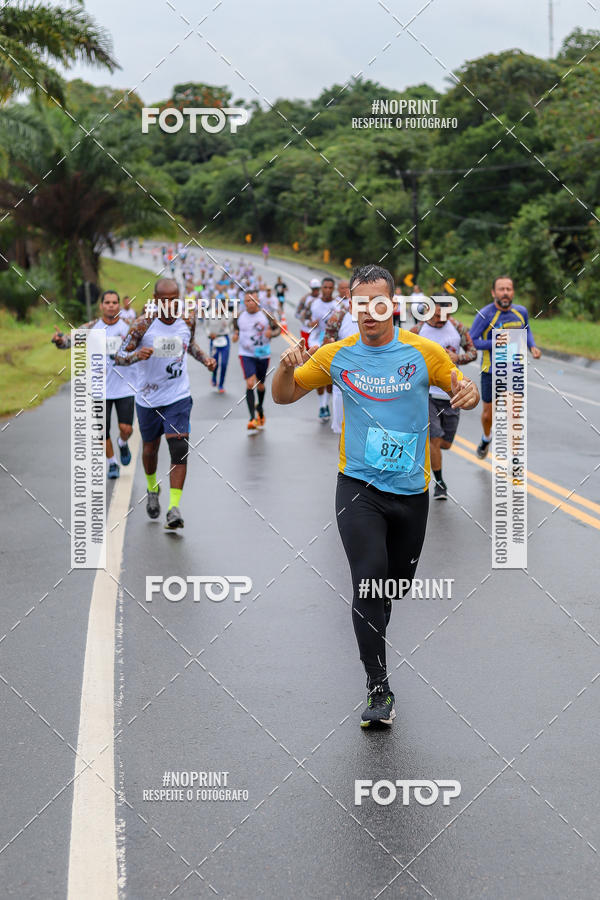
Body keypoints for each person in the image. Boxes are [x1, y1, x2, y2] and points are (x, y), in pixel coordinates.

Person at [272, 264, 479, 728]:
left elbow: (462, 388)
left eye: (378, 303)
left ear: (393, 306)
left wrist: (468, 393)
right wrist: (284, 371)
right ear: (352, 307)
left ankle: (379, 616)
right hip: (358, 487)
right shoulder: (335, 355)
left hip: (411, 491)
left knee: (393, 588)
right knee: (368, 582)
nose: (369, 312)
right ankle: (378, 687)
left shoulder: (423, 352)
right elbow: (283, 397)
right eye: (360, 303)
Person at [114, 278, 216, 529]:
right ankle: (152, 488)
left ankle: (173, 508)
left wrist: (204, 359)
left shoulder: (187, 320)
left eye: (174, 299)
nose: (170, 304)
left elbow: (188, 344)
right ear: (155, 300)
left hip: (178, 395)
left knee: (179, 447)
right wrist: (137, 355)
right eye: (164, 300)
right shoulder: (142, 325)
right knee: (150, 449)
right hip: (148, 398)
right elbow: (119, 356)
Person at [52, 289, 134, 479]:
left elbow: (145, 340)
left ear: (119, 305)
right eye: (107, 302)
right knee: (102, 430)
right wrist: (59, 341)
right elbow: (68, 342)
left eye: (115, 302)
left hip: (124, 386)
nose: (111, 305)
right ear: (101, 306)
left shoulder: (129, 326)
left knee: (126, 429)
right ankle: (112, 463)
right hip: (99, 387)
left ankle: (122, 443)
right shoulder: (91, 328)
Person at [410, 299, 477, 499]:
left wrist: (459, 358)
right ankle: (439, 482)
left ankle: (430, 458)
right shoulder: (417, 330)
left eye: (444, 316)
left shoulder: (457, 327)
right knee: (435, 439)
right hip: (426, 394)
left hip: (451, 394)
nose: (441, 319)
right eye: (436, 315)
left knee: (446, 443)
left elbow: (473, 352)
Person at [470, 275, 541, 458]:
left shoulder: (521, 312)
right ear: (494, 292)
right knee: (488, 415)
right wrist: (494, 342)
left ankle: (514, 458)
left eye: (508, 289)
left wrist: (531, 345)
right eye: (501, 289)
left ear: (513, 292)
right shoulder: (485, 314)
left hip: (514, 370)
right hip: (491, 372)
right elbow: (472, 341)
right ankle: (487, 438)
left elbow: (526, 329)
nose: (505, 293)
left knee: (514, 414)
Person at [233, 290, 281, 431]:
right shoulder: (239, 316)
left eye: (253, 300)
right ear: (244, 302)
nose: (250, 303)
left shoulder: (266, 315)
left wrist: (271, 333)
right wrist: (235, 335)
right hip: (246, 353)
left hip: (262, 354)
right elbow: (235, 329)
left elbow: (278, 330)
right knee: (250, 383)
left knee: (260, 385)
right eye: (247, 301)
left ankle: (259, 407)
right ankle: (252, 418)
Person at [306, 276, 337, 421]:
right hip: (315, 341)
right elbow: (301, 316)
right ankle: (321, 406)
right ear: (321, 288)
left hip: (330, 342)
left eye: (331, 288)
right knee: (319, 374)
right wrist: (309, 322)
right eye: (325, 287)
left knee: (329, 376)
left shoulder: (338, 304)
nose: (328, 290)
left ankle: (326, 403)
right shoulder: (313, 303)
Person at [204, 298, 233, 393]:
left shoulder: (229, 315)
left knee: (224, 363)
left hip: (225, 339)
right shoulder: (209, 313)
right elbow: (206, 327)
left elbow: (231, 327)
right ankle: (214, 376)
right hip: (214, 340)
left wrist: (231, 330)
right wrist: (209, 334)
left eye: (225, 306)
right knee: (214, 362)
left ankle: (221, 384)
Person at [295, 278, 320, 346]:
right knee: (306, 352)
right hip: (306, 330)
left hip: (319, 332)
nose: (316, 291)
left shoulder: (323, 298)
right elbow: (297, 314)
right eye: (314, 289)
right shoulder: (305, 299)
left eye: (317, 289)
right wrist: (308, 323)